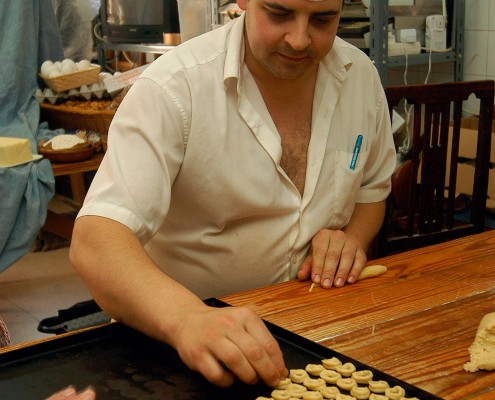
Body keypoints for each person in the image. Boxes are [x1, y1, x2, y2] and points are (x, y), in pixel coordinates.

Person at [70, 0, 396, 391]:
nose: (299, 39)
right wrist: (187, 318)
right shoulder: (173, 89)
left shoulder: (359, 77)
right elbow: (95, 240)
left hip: (314, 334)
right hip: (176, 351)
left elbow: (372, 191)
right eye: (278, 14)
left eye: (323, 20)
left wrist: (352, 239)